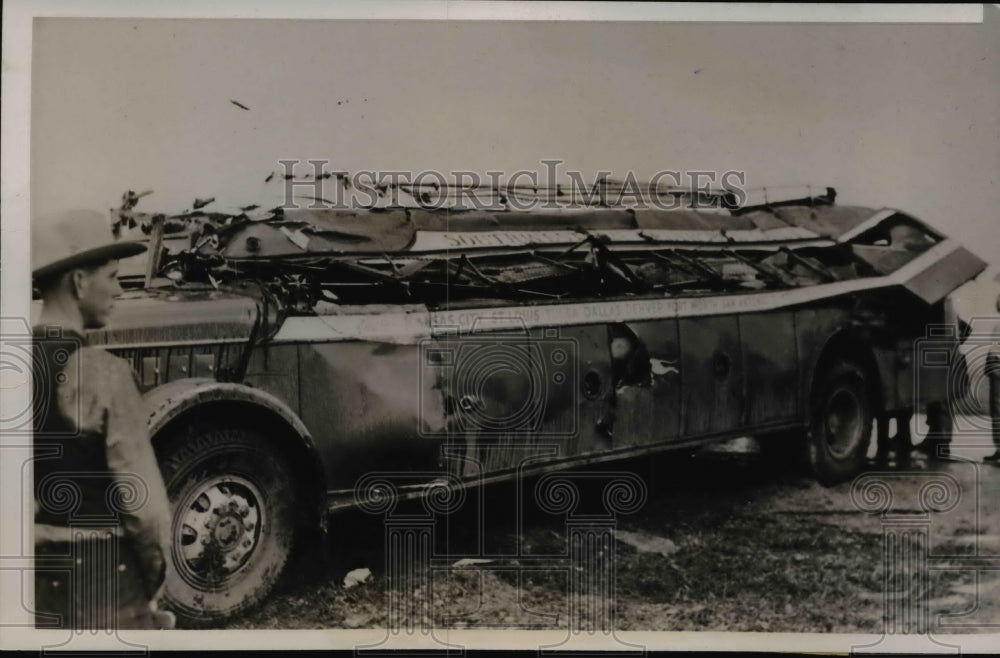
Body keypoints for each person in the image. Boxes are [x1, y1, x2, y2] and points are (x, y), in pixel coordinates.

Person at [32, 209, 174, 630]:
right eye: (112, 276)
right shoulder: (103, 372)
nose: (118, 289)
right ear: (79, 281)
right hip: (103, 585)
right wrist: (152, 583)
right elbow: (145, 510)